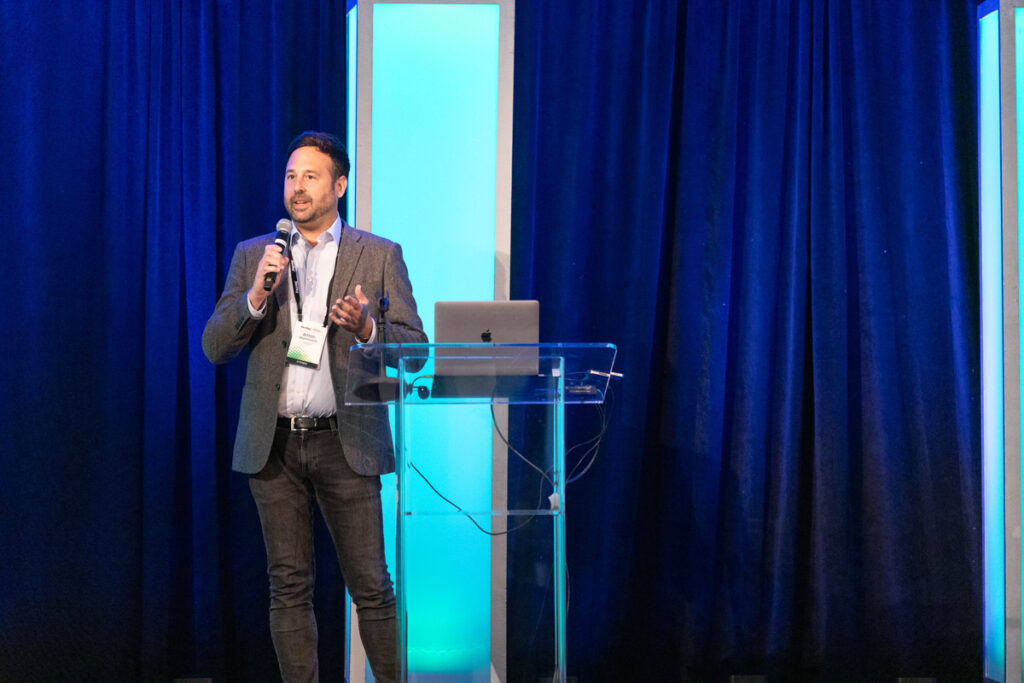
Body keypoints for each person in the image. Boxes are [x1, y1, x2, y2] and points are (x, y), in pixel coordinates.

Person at [202, 131, 426, 683]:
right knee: (288, 584)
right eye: (289, 176)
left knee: (371, 585)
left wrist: (370, 327)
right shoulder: (255, 255)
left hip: (344, 441)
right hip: (272, 441)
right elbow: (214, 346)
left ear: (340, 185)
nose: (296, 188)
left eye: (310, 176)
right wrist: (255, 298)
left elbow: (416, 350)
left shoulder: (378, 255)